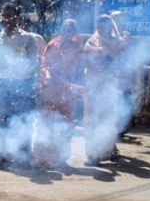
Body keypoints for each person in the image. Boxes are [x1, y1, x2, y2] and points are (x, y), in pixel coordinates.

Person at [0, 3, 41, 169]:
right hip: (3, 85)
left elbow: (34, 63)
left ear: (17, 17)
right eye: (5, 15)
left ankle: (24, 157)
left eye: (11, 15)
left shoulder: (27, 38)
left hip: (23, 85)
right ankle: (1, 156)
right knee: (1, 121)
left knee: (24, 121)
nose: (7, 19)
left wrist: (20, 70)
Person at [33, 19, 85, 170]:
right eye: (64, 29)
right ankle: (42, 158)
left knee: (65, 125)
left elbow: (81, 71)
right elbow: (43, 64)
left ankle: (60, 158)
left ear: (74, 32)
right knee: (45, 123)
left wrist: (75, 87)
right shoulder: (53, 44)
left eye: (70, 30)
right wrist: (47, 75)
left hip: (67, 91)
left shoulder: (78, 48)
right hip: (50, 88)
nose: (66, 32)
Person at [83, 14, 126, 166]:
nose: (102, 29)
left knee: (107, 119)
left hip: (109, 86)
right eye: (99, 26)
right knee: (91, 120)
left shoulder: (117, 42)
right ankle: (92, 155)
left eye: (105, 25)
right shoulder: (91, 41)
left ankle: (107, 151)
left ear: (110, 27)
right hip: (93, 85)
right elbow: (86, 59)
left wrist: (104, 53)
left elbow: (118, 60)